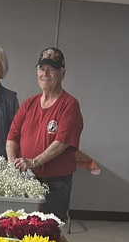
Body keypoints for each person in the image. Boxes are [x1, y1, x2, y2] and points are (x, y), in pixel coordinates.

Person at [6, 46, 83, 223]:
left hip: (55, 185)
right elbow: (12, 136)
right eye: (42, 69)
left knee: (50, 229)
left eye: (52, 69)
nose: (45, 74)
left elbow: (62, 142)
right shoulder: (29, 103)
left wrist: (34, 162)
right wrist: (13, 164)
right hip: (27, 179)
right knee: (23, 227)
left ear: (62, 73)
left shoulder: (69, 105)